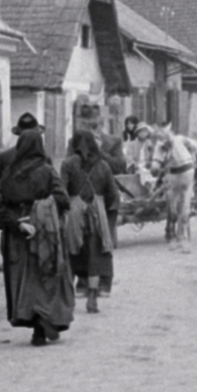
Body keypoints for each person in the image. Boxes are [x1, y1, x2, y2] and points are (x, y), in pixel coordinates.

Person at [0, 127, 75, 346]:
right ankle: (43, 323)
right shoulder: (47, 171)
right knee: (45, 277)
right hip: (44, 233)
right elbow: (63, 198)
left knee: (24, 280)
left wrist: (17, 224)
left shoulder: (8, 173)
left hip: (16, 236)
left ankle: (35, 322)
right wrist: (43, 209)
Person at [61, 130, 120, 312]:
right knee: (95, 256)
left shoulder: (68, 164)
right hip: (98, 216)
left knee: (71, 254)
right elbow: (113, 195)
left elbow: (61, 191)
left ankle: (69, 299)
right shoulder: (103, 166)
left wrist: (65, 210)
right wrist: (106, 213)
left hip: (74, 215)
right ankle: (92, 298)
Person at [162, 125, 197, 250]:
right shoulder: (162, 144)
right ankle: (172, 227)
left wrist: (192, 148)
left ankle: (181, 234)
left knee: (184, 202)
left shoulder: (181, 140)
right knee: (172, 202)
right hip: (171, 172)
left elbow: (196, 146)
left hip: (186, 171)